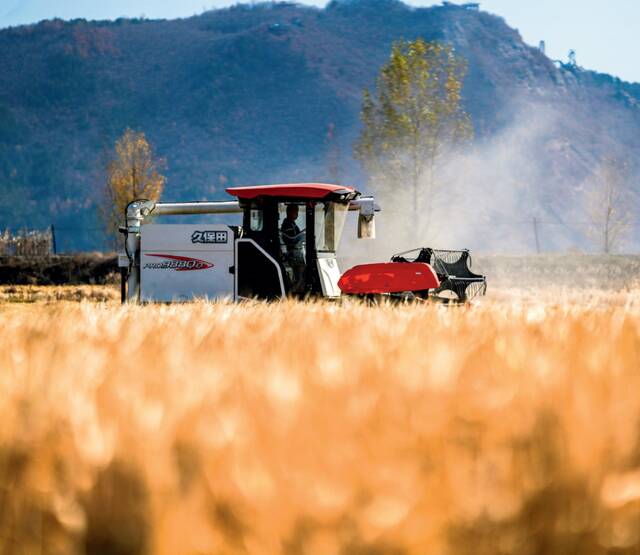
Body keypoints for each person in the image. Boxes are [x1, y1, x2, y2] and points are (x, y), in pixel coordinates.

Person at [280, 204, 305, 291]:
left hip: (295, 253)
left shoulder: (291, 224)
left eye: (297, 212)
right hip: (293, 254)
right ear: (289, 212)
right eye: (295, 211)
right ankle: (293, 292)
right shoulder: (287, 225)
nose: (297, 214)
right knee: (302, 272)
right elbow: (291, 240)